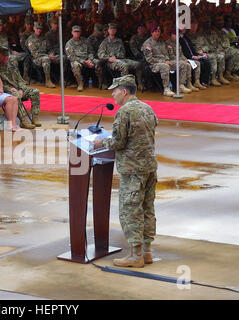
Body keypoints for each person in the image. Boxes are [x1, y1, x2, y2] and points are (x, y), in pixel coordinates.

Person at [94, 74, 158, 268]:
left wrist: (100, 142)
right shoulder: (147, 108)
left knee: (130, 210)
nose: (113, 95)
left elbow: (118, 142)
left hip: (132, 169)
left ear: (124, 92)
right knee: (147, 209)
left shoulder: (125, 112)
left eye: (114, 91)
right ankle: (146, 252)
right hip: (149, 167)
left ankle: (135, 256)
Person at [0, 46, 41, 129]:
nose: (6, 58)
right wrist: (9, 89)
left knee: (35, 91)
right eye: (4, 56)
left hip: (17, 89)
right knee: (15, 95)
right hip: (7, 91)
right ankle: (23, 121)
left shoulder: (12, 66)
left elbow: (20, 80)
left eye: (7, 56)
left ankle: (35, 117)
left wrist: (21, 89)